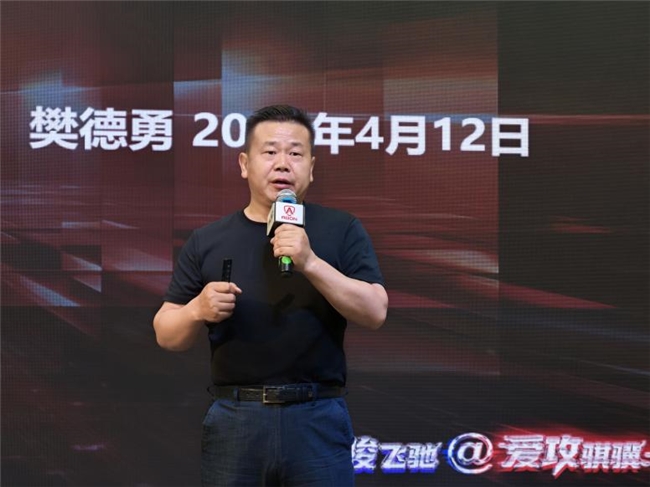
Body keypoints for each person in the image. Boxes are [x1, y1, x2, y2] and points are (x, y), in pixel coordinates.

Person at [153, 104, 388, 486]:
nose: (283, 164)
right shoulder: (208, 240)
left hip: (318, 417)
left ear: (311, 167)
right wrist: (196, 310)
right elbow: (167, 334)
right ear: (244, 164)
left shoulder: (342, 229)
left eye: (296, 153)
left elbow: (375, 311)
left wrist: (311, 262)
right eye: (270, 152)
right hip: (236, 418)